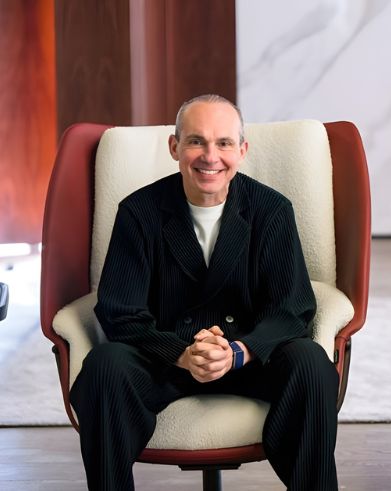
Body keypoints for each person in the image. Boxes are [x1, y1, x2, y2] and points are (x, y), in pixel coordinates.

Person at [70, 94, 339, 490]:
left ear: (242, 151)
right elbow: (119, 310)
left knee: (311, 362)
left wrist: (237, 352)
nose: (210, 156)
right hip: (165, 360)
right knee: (103, 366)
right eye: (196, 141)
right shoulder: (138, 212)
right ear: (174, 147)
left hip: (248, 359)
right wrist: (183, 354)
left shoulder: (272, 210)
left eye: (224, 143)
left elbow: (292, 307)